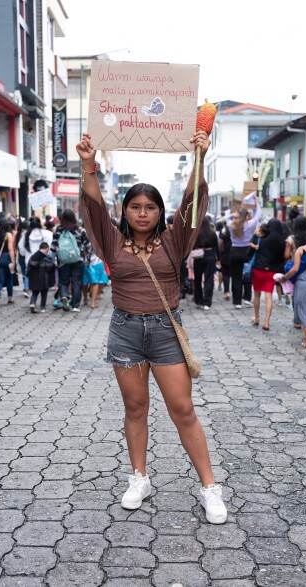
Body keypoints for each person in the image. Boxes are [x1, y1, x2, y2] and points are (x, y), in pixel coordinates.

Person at [76, 130, 227, 524]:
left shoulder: (175, 241)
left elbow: (192, 204)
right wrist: (88, 162)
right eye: (135, 207)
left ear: (160, 213)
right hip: (125, 331)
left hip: (165, 332)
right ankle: (139, 477)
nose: (142, 213)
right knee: (135, 408)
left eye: (150, 207)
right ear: (125, 212)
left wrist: (199, 155)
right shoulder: (110, 243)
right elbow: (92, 206)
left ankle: (209, 487)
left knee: (183, 409)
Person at [223, 196, 262, 309]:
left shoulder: (232, 225)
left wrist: (233, 213)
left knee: (236, 277)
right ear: (246, 216)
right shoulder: (249, 225)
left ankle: (237, 302)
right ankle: (247, 298)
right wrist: (256, 203)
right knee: (247, 275)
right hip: (247, 252)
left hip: (234, 251)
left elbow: (226, 217)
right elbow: (258, 215)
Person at [249, 218, 287, 330]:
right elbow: (282, 259)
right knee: (268, 295)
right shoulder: (282, 242)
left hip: (258, 270)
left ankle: (256, 318)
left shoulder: (262, 239)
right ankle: (266, 322)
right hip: (271, 271)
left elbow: (250, 252)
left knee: (256, 294)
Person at [52, 209, 91, 313]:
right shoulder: (80, 230)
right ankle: (75, 305)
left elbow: (53, 246)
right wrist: (88, 258)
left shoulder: (58, 230)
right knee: (76, 282)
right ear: (74, 217)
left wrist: (55, 259)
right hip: (78, 260)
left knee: (63, 281)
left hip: (63, 261)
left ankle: (64, 296)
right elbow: (88, 245)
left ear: (62, 218)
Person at [191, 217, 220, 310]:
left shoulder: (196, 233)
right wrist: (218, 259)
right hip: (210, 256)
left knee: (197, 279)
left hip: (198, 256)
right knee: (209, 279)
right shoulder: (212, 233)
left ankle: (198, 300)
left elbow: (192, 246)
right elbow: (217, 247)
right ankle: (207, 302)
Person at [19, 217, 52, 297]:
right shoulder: (47, 234)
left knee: (33, 283)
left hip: (30, 262)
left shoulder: (25, 235)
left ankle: (32, 301)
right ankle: (42, 305)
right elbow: (50, 248)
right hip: (44, 262)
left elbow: (21, 250)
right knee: (43, 284)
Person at [287, 216, 306, 329]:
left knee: (295, 295)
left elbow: (286, 255)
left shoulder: (291, 239)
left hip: (295, 269)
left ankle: (297, 321)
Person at [0, 219, 18, 307]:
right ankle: (10, 298)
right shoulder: (8, 234)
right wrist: (13, 261)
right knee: (9, 278)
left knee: (0, 279)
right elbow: (10, 249)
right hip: (7, 258)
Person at [26, 242, 56, 313]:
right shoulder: (47, 257)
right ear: (46, 249)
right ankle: (43, 307)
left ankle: (32, 303)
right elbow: (50, 267)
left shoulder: (33, 256)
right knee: (44, 292)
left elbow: (29, 268)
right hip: (44, 278)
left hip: (34, 278)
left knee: (35, 292)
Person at [216, 219, 231, 300]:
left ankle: (227, 292)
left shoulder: (224, 232)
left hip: (225, 255)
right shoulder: (237, 232)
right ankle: (236, 295)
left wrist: (217, 254)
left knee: (226, 274)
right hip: (235, 254)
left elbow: (219, 244)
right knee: (236, 276)